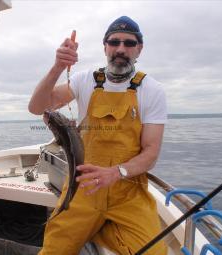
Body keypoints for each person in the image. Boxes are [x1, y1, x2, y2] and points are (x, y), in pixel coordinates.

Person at [28, 16, 167, 255]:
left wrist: (117, 172)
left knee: (155, 253)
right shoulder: (86, 80)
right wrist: (57, 68)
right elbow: (37, 107)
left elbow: (151, 153)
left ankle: (96, 226)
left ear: (139, 49)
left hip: (129, 192)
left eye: (129, 43)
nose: (121, 49)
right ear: (105, 47)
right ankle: (96, 224)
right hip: (83, 188)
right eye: (114, 42)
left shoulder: (152, 90)